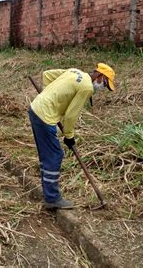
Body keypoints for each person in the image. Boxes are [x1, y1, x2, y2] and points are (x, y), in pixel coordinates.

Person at [28, 63, 115, 209]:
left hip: (36, 108)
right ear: (100, 76)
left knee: (47, 155)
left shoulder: (74, 71)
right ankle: (52, 198)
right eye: (105, 84)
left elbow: (47, 75)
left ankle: (48, 194)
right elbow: (70, 116)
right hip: (44, 116)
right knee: (55, 155)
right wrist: (69, 136)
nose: (102, 88)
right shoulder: (86, 88)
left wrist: (51, 97)